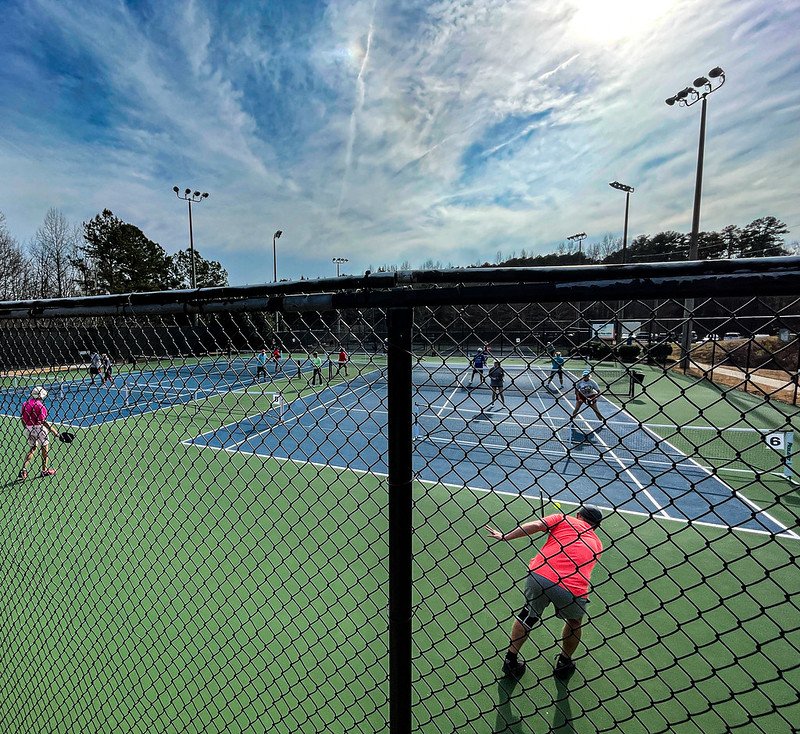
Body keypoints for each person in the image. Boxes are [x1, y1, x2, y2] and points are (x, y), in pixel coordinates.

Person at [485, 506, 604, 681]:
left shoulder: (562, 518)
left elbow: (534, 525)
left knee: (528, 615)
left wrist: (505, 536)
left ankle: (510, 660)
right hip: (572, 588)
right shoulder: (598, 544)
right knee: (574, 622)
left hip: (539, 576)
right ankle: (564, 662)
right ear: (596, 526)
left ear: (578, 515)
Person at [18, 386, 61, 479]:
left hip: (28, 428)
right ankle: (44, 470)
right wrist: (54, 432)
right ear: (41, 396)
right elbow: (43, 421)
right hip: (39, 428)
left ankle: (24, 470)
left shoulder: (25, 404)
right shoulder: (40, 406)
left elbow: (22, 418)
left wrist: (26, 428)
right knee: (44, 448)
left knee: (33, 448)